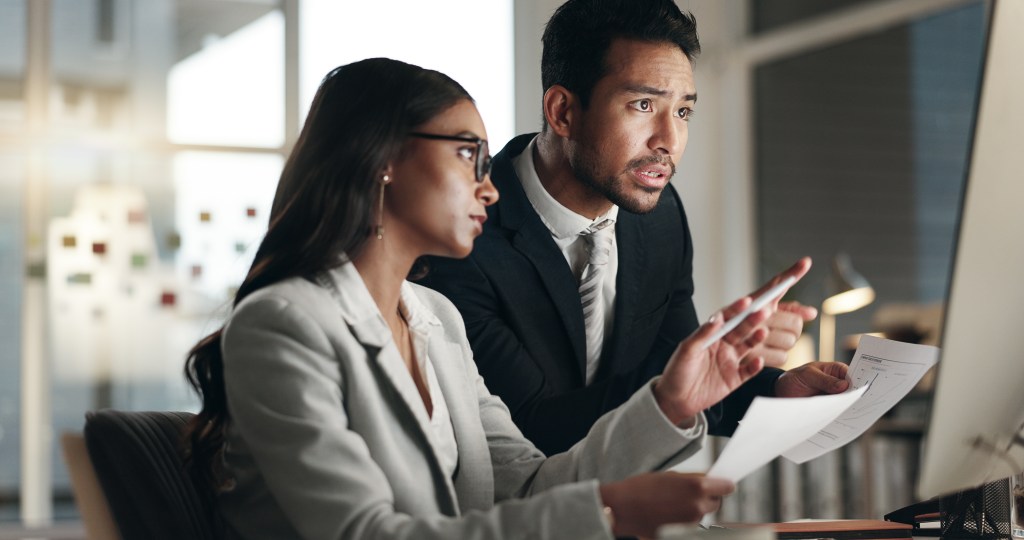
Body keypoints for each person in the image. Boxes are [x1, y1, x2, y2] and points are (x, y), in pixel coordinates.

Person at [182, 57, 793, 540]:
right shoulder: (283, 322)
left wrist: (671, 401)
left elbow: (530, 486)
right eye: (467, 154)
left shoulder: (436, 319)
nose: (490, 188)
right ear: (383, 159)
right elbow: (364, 533)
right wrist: (606, 512)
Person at [417, 0, 848, 455]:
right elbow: (530, 428)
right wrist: (702, 364)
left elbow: (677, 373)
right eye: (643, 105)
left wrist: (775, 389)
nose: (669, 141)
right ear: (563, 112)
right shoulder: (460, 237)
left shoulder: (661, 218)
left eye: (683, 112)